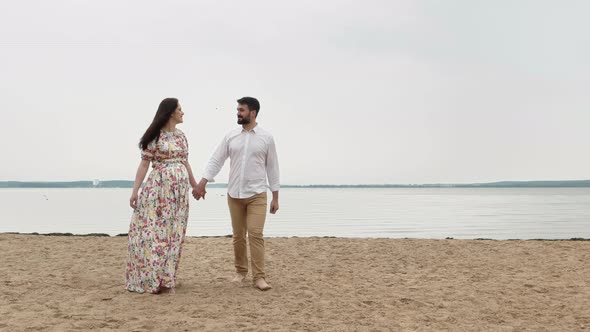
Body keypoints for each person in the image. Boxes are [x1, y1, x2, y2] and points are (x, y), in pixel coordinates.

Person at [194, 96, 280, 291]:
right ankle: (241, 272)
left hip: (257, 194)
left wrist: (275, 196)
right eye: (238, 110)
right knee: (238, 236)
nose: (238, 113)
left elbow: (273, 168)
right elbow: (216, 160)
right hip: (234, 195)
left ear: (253, 112)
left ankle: (259, 277)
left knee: (255, 234)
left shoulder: (266, 138)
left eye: (241, 110)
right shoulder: (231, 136)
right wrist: (202, 183)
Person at [125, 98, 199, 294]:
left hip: (179, 195)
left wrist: (195, 186)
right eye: (180, 109)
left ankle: (167, 277)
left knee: (175, 233)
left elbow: (186, 162)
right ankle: (152, 278)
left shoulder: (182, 137)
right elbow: (144, 164)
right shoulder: (155, 137)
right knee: (156, 233)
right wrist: (135, 191)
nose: (183, 113)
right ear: (170, 113)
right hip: (158, 192)